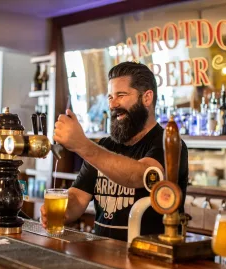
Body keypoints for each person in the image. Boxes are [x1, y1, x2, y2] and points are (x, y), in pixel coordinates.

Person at [41, 62, 189, 242]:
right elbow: (78, 198)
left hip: (149, 256)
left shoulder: (169, 145)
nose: (112, 104)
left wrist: (83, 145)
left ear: (147, 98)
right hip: (103, 255)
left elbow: (139, 176)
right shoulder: (105, 146)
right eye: (110, 97)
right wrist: (60, 210)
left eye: (121, 95)